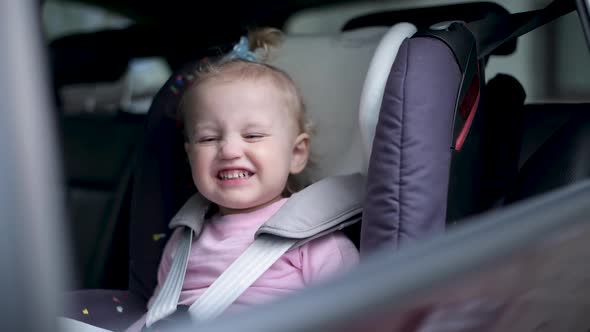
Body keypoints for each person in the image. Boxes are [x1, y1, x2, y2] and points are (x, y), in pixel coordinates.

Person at [126, 28, 359, 331]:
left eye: (253, 135)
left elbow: (355, 317)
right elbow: (156, 316)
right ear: (189, 155)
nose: (229, 150)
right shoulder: (183, 239)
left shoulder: (316, 243)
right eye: (209, 138)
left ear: (296, 154)